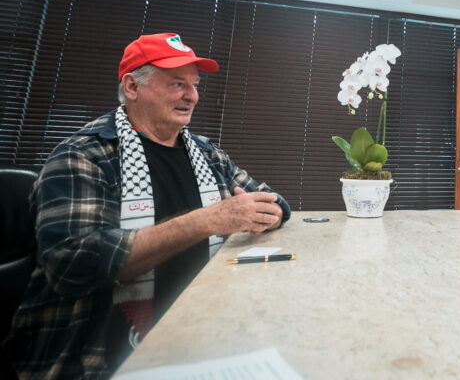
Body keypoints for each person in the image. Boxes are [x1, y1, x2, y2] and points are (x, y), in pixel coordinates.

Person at [4, 33, 292, 379]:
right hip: (95, 355)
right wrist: (207, 220)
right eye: (176, 83)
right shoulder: (81, 156)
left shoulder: (209, 155)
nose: (192, 96)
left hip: (203, 332)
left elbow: (275, 200)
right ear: (132, 87)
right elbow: (72, 263)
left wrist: (270, 210)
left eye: (195, 85)